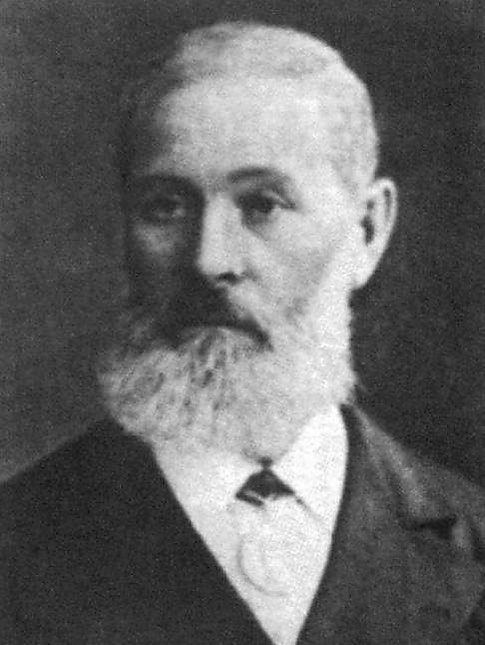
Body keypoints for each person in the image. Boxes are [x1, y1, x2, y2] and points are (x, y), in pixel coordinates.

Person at [1, 21, 484, 645]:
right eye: (165, 206)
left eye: (263, 205)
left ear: (367, 230)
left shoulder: (471, 539)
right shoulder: (19, 544)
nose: (209, 260)